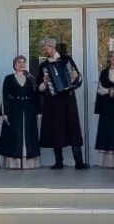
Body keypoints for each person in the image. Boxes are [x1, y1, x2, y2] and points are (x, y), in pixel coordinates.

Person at [36, 36, 87, 170]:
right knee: (55, 130)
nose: (44, 50)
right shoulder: (43, 66)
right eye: (43, 49)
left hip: (68, 100)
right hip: (52, 102)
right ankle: (59, 162)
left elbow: (78, 78)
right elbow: (39, 88)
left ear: (53, 47)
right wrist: (45, 83)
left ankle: (79, 162)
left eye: (45, 48)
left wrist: (76, 78)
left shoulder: (66, 60)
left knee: (73, 129)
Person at [0, 55, 40, 170]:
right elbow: (5, 96)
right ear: (14, 65)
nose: (21, 64)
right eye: (19, 62)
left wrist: (38, 111)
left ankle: (29, 162)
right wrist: (5, 112)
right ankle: (14, 162)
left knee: (29, 133)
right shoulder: (9, 78)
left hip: (28, 109)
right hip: (14, 109)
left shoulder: (31, 78)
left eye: (23, 62)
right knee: (14, 134)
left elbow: (35, 95)